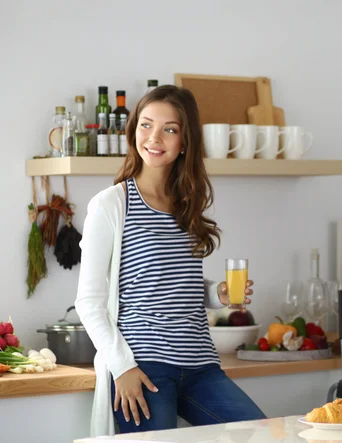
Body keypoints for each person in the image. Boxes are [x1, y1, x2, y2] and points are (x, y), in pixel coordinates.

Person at [75, 85, 266, 437]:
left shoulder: (188, 205)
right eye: (146, 125)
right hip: (144, 367)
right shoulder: (112, 204)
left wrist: (217, 295)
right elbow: (88, 302)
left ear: (184, 141)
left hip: (200, 364)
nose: (154, 137)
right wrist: (123, 368)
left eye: (170, 129)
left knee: (260, 433)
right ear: (133, 130)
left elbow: (173, 281)